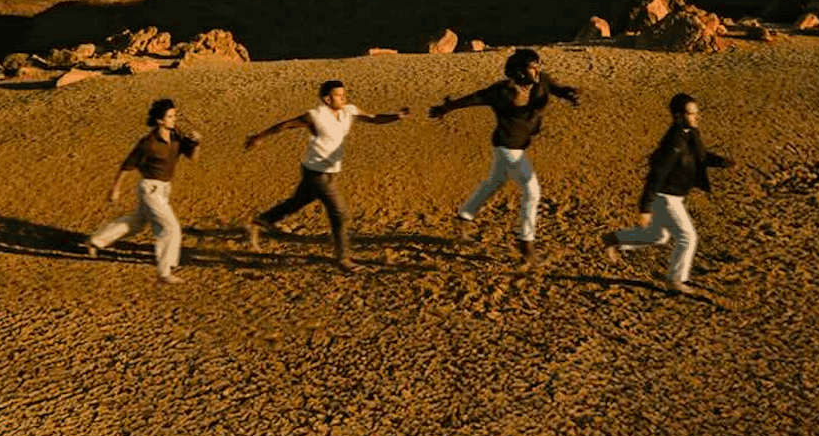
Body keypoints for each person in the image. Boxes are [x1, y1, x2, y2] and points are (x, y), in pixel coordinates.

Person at [428, 47, 579, 264]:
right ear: (519, 72)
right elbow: (474, 98)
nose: (537, 71)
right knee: (532, 192)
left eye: (538, 66)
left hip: (519, 145)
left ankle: (463, 217)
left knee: (494, 183)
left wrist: (568, 93)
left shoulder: (541, 82)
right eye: (533, 68)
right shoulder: (502, 91)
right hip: (508, 147)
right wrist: (447, 107)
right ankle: (526, 244)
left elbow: (556, 88)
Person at [244, 80, 409, 273]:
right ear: (327, 99)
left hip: (328, 173)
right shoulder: (315, 116)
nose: (343, 98)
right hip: (317, 174)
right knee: (340, 213)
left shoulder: (349, 111)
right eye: (338, 95)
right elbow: (285, 125)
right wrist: (259, 137)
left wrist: (396, 116)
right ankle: (343, 258)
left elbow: (374, 118)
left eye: (343, 94)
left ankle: (260, 221)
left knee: (296, 202)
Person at [601, 92, 733, 295]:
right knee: (687, 237)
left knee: (658, 236)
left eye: (696, 113)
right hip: (665, 198)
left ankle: (614, 238)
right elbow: (657, 175)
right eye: (691, 113)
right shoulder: (674, 143)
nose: (697, 117)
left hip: (675, 196)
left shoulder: (690, 133)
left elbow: (700, 156)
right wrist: (645, 208)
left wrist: (721, 162)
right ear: (678, 116)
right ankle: (675, 280)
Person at [84, 98, 201, 284]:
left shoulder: (177, 136)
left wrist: (196, 143)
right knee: (170, 228)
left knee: (136, 223)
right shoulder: (148, 143)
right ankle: (164, 272)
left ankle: (96, 240)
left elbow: (193, 158)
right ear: (159, 120)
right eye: (170, 116)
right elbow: (127, 165)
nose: (174, 119)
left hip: (164, 189)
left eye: (174, 115)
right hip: (150, 190)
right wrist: (115, 188)